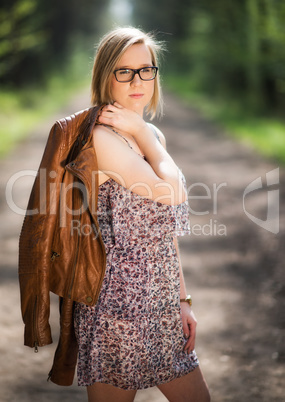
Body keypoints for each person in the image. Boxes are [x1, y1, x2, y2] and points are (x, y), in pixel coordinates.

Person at [18, 27, 210, 402]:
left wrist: (182, 302)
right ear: (106, 76)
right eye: (124, 71)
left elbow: (164, 229)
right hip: (116, 309)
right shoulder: (102, 140)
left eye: (146, 69)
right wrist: (142, 131)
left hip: (161, 302)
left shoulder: (149, 134)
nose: (137, 80)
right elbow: (171, 192)